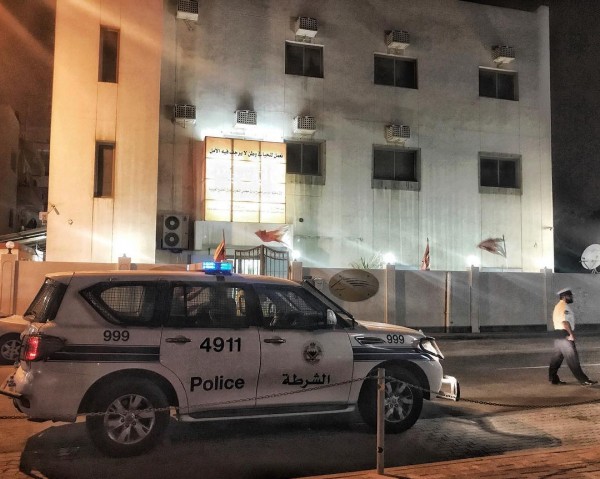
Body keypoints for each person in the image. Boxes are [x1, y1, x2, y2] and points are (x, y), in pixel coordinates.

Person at [548, 288, 597, 386]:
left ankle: (553, 378)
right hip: (564, 335)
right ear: (565, 296)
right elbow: (565, 322)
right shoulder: (564, 306)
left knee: (556, 359)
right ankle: (584, 380)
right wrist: (571, 334)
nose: (572, 297)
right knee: (573, 359)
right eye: (570, 296)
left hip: (558, 336)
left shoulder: (558, 306)